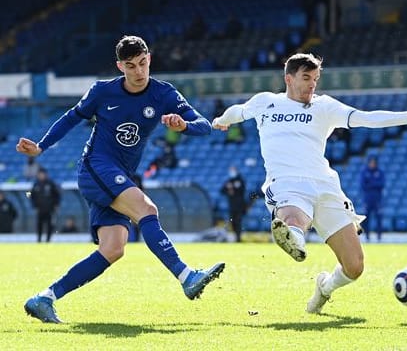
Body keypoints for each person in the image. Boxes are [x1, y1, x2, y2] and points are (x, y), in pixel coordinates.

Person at [16, 35, 225, 323]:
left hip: (119, 173)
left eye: (142, 63)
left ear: (149, 58)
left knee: (113, 248)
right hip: (96, 167)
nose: (139, 72)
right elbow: (71, 118)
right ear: (120, 66)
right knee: (147, 210)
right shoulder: (103, 91)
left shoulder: (164, 94)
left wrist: (184, 125)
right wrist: (41, 146)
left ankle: (44, 298)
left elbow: (204, 126)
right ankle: (187, 276)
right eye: (130, 66)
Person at [212, 53, 407, 314]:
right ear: (288, 79)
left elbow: (366, 118)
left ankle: (325, 287)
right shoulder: (266, 102)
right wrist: (222, 120)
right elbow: (238, 111)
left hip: (325, 186)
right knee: (293, 216)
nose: (312, 84)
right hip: (286, 182)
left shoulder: (325, 107)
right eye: (306, 78)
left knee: (354, 267)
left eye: (316, 79)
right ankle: (293, 237)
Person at [30, 169, 61, 242]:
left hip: (50, 209)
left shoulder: (50, 184)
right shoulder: (36, 184)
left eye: (42, 174)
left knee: (50, 225)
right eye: (40, 174)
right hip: (40, 209)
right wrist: (34, 206)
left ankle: (48, 240)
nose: (41, 176)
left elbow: (57, 195)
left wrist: (56, 205)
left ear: (45, 174)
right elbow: (31, 195)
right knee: (39, 225)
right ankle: (39, 240)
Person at [360, 155, 385, 241]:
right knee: (366, 218)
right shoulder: (364, 172)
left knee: (379, 217)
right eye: (371, 162)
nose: (372, 164)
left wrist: (370, 183)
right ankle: (367, 236)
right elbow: (363, 185)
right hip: (367, 199)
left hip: (377, 199)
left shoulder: (380, 172)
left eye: (374, 162)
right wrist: (374, 183)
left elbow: (381, 184)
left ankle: (379, 237)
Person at [220, 165, 247, 242]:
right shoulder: (229, 181)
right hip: (232, 206)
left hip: (240, 206)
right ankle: (236, 237)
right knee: (233, 222)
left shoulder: (240, 180)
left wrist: (233, 188)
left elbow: (242, 190)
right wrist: (228, 189)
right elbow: (222, 190)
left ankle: (239, 237)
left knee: (238, 221)